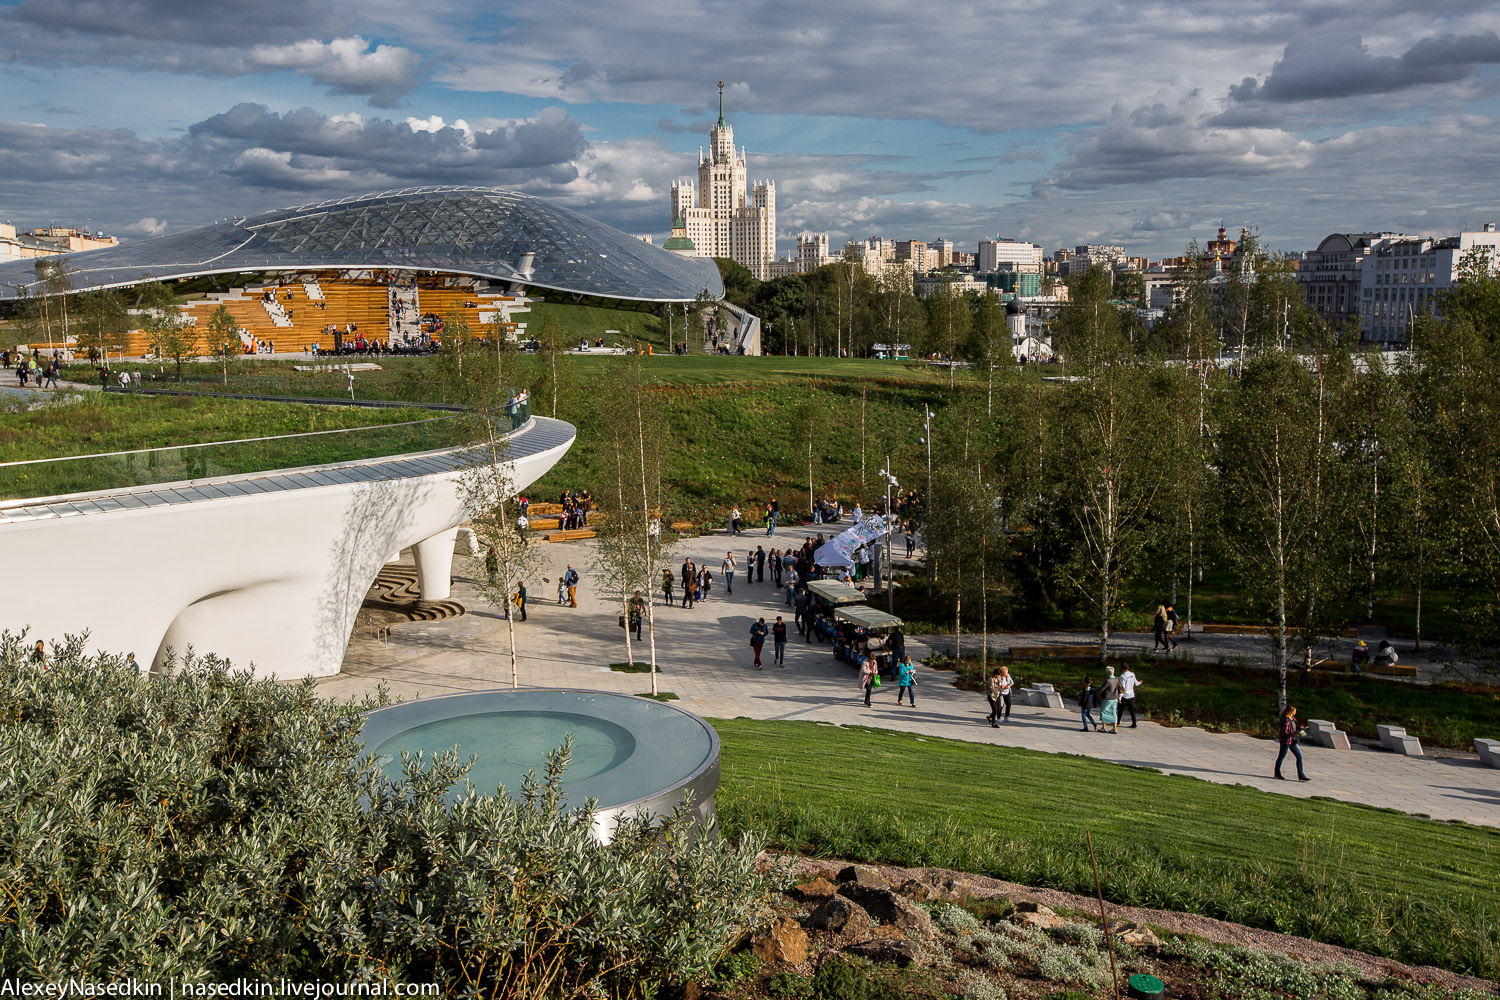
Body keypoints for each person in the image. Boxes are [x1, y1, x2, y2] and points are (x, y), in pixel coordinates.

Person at [1275, 704, 1311, 781]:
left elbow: (1295, 728)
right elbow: (1285, 732)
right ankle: (1277, 773)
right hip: (1286, 741)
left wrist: (1300, 729)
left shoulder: (1293, 719)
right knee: (1281, 757)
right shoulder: (1286, 720)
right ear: (1291, 711)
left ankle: (1301, 775)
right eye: (1294, 711)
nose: (1295, 712)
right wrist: (1295, 733)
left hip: (1293, 741)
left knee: (1299, 757)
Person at [1099, 666, 1121, 733]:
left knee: (1103, 711)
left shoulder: (1108, 681)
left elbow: (1102, 689)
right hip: (1115, 698)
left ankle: (1104, 727)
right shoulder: (1116, 680)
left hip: (1108, 698)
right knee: (1113, 712)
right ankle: (1114, 728)